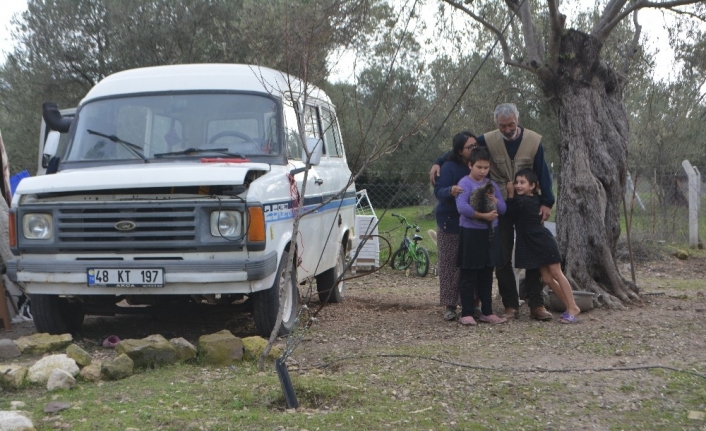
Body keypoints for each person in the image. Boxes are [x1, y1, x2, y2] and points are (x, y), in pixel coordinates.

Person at [429, 103, 556, 321]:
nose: (507, 129)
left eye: (511, 125)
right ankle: (510, 305)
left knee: (535, 254)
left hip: (528, 206)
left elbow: (543, 172)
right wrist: (438, 161)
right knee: (501, 257)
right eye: (502, 126)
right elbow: (463, 147)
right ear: (496, 124)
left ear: (518, 120)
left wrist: (547, 202)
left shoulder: (534, 141)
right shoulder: (487, 139)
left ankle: (537, 304)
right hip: (501, 206)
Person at [506, 169, 580, 323]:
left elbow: (510, 213)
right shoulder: (533, 199)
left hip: (542, 241)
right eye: (516, 182)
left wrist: (510, 194)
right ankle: (569, 307)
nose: (518, 185)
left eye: (522, 182)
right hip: (532, 243)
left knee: (556, 273)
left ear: (532, 186)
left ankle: (573, 306)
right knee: (546, 278)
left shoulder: (523, 201)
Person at [455, 147, 507, 325]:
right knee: (469, 273)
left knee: (486, 273)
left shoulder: (491, 185)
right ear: (470, 165)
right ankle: (467, 313)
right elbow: (462, 208)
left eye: (486, 167)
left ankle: (487, 312)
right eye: (479, 167)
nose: (482, 171)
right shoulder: (464, 183)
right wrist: (483, 216)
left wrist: (496, 201)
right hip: (471, 233)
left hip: (490, 234)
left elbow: (503, 209)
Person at [433, 131, 477, 321]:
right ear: (460, 150)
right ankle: (450, 305)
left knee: (472, 265)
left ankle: (473, 303)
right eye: (470, 147)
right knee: (450, 265)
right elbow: (438, 190)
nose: (474, 149)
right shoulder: (449, 167)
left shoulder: (478, 166)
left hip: (475, 223)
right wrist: (450, 191)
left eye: (476, 146)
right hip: (450, 222)